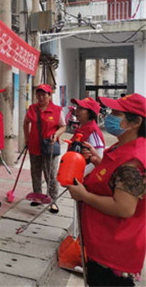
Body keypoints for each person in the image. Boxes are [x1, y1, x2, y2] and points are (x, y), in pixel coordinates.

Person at [68, 93, 146, 286]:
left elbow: (124, 207)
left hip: (112, 252)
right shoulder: (123, 147)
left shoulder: (133, 161)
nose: (109, 116)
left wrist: (84, 196)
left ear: (135, 122)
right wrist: (98, 161)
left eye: (116, 113)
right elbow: (116, 179)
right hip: (103, 242)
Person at [23, 84, 66, 213]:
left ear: (49, 95)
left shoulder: (57, 110)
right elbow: (25, 123)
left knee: (50, 175)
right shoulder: (32, 108)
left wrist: (56, 135)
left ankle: (53, 201)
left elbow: (63, 126)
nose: (41, 97)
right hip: (34, 146)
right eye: (38, 94)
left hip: (50, 147)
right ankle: (37, 197)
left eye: (44, 94)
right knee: (35, 173)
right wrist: (26, 138)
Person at [69, 96, 105, 176]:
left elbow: (98, 157)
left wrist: (79, 174)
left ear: (90, 113)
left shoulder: (92, 131)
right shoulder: (83, 128)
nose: (77, 111)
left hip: (86, 178)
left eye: (81, 109)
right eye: (77, 108)